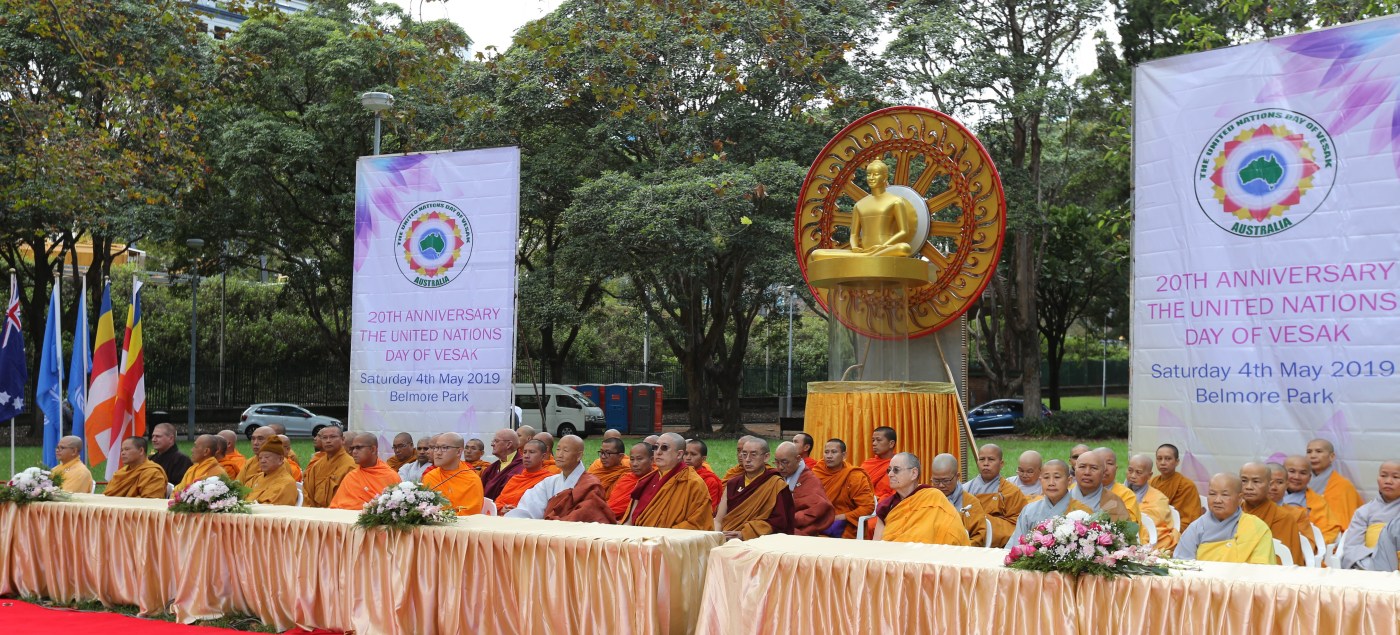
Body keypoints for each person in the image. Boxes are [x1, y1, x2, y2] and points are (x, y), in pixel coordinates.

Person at [808, 159, 918, 260]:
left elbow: (904, 231)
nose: (871, 178)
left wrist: (883, 246)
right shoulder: (859, 205)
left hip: (886, 249)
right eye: (869, 174)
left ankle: (867, 257)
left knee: (904, 248)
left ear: (885, 177)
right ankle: (867, 256)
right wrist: (855, 247)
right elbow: (854, 235)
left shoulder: (896, 201)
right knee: (816, 254)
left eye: (876, 174)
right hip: (863, 251)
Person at [1174, 473, 1275, 564]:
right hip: (1202, 579)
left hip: (1243, 579)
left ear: (1239, 498)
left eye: (1225, 495)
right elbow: (1182, 564)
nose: (1217, 500)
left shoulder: (1257, 527)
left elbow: (1261, 568)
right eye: (1212, 494)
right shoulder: (1196, 527)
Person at [872, 452, 969, 545]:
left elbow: (954, 532)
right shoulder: (886, 506)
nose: (890, 474)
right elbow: (876, 545)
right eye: (889, 470)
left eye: (896, 470)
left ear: (914, 473)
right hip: (894, 555)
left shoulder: (933, 497)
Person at [624, 433, 713, 530]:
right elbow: (630, 521)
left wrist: (662, 535)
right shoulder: (646, 480)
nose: (658, 452)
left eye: (664, 448)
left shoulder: (693, 483)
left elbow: (697, 523)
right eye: (656, 447)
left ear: (679, 454)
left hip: (670, 537)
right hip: (638, 535)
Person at [714, 437, 794, 540]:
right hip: (726, 538)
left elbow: (779, 521)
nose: (747, 459)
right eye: (744, 454)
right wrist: (717, 537)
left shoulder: (776, 484)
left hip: (759, 541)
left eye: (753, 454)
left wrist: (744, 534)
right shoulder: (732, 484)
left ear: (766, 457)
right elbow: (718, 520)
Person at [1008, 460, 1091, 546]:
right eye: (1046, 477)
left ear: (1069, 480)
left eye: (1057, 477)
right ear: (1040, 480)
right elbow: (1016, 545)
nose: (1051, 483)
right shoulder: (1029, 510)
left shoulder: (1083, 512)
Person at [1240, 461, 1308, 565]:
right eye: (1244, 481)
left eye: (1256, 481)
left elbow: (1285, 560)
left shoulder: (1283, 517)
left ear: (1269, 485)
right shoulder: (1232, 513)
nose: (1248, 487)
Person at [506, 436, 588, 520]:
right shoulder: (549, 483)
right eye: (558, 449)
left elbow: (586, 515)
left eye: (565, 450)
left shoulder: (589, 485)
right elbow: (529, 507)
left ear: (579, 456)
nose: (559, 455)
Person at [963, 443, 1028, 547]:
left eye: (991, 459)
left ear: (1001, 464)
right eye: (982, 459)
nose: (986, 463)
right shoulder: (965, 489)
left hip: (999, 545)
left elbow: (1018, 525)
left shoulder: (1011, 491)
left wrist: (984, 521)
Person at [1339, 460, 1400, 570]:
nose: (1388, 481)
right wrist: (1377, 562)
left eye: (1396, 477)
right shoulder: (1363, 512)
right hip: (1370, 566)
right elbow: (1352, 547)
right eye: (1383, 476)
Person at [811, 438, 875, 539]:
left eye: (834, 452)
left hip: (843, 525)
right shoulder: (817, 471)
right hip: (816, 520)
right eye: (826, 452)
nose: (829, 456)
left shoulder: (854, 476)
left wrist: (841, 517)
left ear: (844, 455)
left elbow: (868, 507)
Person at [1282, 454, 1346, 543]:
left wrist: (1313, 547)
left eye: (1303, 473)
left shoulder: (1318, 503)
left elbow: (1329, 531)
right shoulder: (1268, 496)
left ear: (1309, 477)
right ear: (1282, 473)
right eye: (1292, 471)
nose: (1297, 477)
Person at [329, 433, 402, 510]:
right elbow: (336, 506)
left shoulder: (391, 476)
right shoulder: (351, 476)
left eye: (358, 448)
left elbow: (396, 508)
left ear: (373, 449)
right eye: (353, 448)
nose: (354, 452)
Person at [774, 441, 833, 537]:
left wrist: (788, 520)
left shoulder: (810, 480)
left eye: (785, 462)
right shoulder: (775, 476)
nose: (780, 467)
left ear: (798, 459)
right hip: (778, 525)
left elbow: (818, 508)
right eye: (777, 462)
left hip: (800, 530)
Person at [1125, 453, 1178, 552]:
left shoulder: (1159, 499)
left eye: (1138, 472)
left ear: (1149, 475)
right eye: (1130, 470)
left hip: (1150, 542)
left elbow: (1155, 527)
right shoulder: (1118, 492)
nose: (1132, 476)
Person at [421, 432, 484, 515]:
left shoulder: (472, 480)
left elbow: (471, 514)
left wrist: (443, 517)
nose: (438, 452)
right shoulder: (430, 476)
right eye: (436, 447)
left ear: (458, 452)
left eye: (444, 448)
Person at [932, 453, 988, 546]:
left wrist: (960, 549)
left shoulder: (970, 503)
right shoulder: (927, 499)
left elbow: (979, 536)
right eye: (936, 481)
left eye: (946, 481)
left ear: (957, 476)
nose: (941, 485)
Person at [1306, 439, 1364, 527]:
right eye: (1309, 452)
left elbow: (1347, 521)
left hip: (1332, 532)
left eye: (1319, 451)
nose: (1313, 456)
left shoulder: (1343, 485)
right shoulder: (1299, 483)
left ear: (1332, 457)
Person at [496, 440, 561, 513]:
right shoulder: (515, 479)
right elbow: (498, 502)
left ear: (543, 456)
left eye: (532, 452)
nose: (526, 456)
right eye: (524, 452)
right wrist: (501, 508)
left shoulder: (548, 480)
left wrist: (518, 511)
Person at [1151, 443, 1204, 529]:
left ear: (1177, 462)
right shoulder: (1152, 482)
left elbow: (1190, 518)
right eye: (1159, 459)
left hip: (1179, 527)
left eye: (1168, 459)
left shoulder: (1187, 485)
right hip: (1155, 524)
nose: (1163, 463)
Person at [302, 426, 356, 508]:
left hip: (338, 512)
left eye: (333, 437)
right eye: (324, 438)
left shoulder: (351, 466)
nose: (328, 441)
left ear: (342, 439)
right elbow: (308, 493)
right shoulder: (317, 466)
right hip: (315, 511)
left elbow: (349, 498)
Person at [1070, 450, 1129, 521]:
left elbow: (1124, 527)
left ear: (1103, 473)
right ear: (1075, 469)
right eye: (1082, 467)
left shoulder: (1113, 502)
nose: (1087, 472)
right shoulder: (1063, 496)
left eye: (1094, 468)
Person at [246, 435, 298, 505]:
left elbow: (272, 507)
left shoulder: (287, 482)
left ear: (280, 459)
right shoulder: (256, 478)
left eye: (267, 457)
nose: (262, 461)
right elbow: (241, 495)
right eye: (260, 458)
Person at [1095, 447, 1142, 524]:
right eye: (1099, 462)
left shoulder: (1126, 495)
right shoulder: (1076, 490)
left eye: (1109, 463)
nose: (1105, 468)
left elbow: (1128, 526)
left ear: (1116, 468)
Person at [609, 442, 654, 517]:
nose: (635, 464)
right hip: (610, 516)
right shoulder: (626, 478)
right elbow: (613, 504)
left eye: (639, 459)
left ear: (652, 460)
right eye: (632, 459)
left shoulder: (655, 481)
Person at [480, 429, 524, 500]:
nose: (492, 444)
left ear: (508, 444)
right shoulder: (490, 469)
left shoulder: (523, 467)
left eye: (496, 441)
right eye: (493, 441)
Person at [685, 439, 724, 509]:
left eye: (693, 454)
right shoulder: (678, 476)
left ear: (703, 459)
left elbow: (709, 509)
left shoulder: (710, 481)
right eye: (686, 454)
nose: (688, 458)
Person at [862, 427, 897, 499]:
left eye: (878, 440)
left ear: (891, 444)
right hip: (864, 502)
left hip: (887, 503)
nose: (874, 443)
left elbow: (898, 493)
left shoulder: (899, 465)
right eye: (873, 440)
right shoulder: (868, 464)